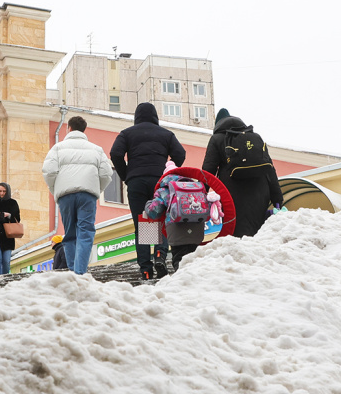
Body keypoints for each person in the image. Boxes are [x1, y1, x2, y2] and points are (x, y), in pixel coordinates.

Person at [110, 102, 186, 281]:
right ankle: (160, 255)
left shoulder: (127, 133)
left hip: (136, 182)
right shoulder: (166, 134)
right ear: (155, 116)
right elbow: (180, 154)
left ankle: (145, 269)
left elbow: (115, 154)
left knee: (143, 223)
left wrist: (127, 174)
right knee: (160, 219)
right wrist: (169, 171)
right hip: (159, 182)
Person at [42, 116, 112, 275]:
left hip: (65, 196)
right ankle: (80, 272)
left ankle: (73, 272)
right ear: (84, 130)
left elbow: (48, 171)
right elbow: (107, 174)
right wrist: (95, 188)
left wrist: (56, 190)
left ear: (69, 128)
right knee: (85, 233)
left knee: (70, 234)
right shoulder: (96, 149)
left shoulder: (58, 148)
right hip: (87, 195)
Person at [202, 109, 283, 238]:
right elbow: (270, 169)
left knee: (237, 233)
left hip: (232, 193)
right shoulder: (254, 137)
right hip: (260, 191)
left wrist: (201, 194)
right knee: (257, 233)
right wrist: (277, 198)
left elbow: (208, 169)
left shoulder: (217, 139)